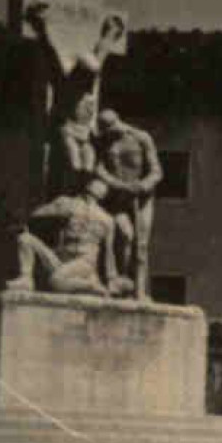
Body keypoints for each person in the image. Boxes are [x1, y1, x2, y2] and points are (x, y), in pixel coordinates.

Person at [7, 178, 134, 297]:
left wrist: (112, 278)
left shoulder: (106, 219)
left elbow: (109, 253)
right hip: (60, 259)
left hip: (84, 263)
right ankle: (26, 279)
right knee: (25, 239)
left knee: (56, 281)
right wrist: (24, 223)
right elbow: (37, 215)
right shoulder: (68, 204)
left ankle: (91, 286)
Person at [94, 109, 163, 300]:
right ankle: (123, 283)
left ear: (119, 122)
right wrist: (118, 185)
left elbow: (156, 171)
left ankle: (139, 290)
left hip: (142, 200)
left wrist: (143, 185)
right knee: (123, 235)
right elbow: (98, 169)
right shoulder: (103, 142)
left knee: (140, 244)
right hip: (119, 198)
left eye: (113, 129)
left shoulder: (142, 138)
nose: (111, 134)